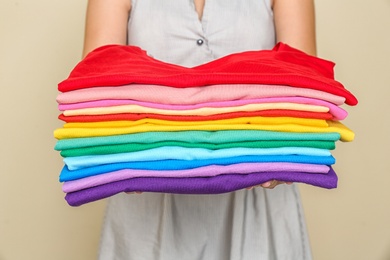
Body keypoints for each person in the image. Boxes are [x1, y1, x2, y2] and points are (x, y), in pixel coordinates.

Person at [82, 0, 317, 259]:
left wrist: (290, 157)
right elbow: (98, 86)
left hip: (257, 201)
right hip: (146, 209)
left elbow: (302, 89)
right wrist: (118, 160)